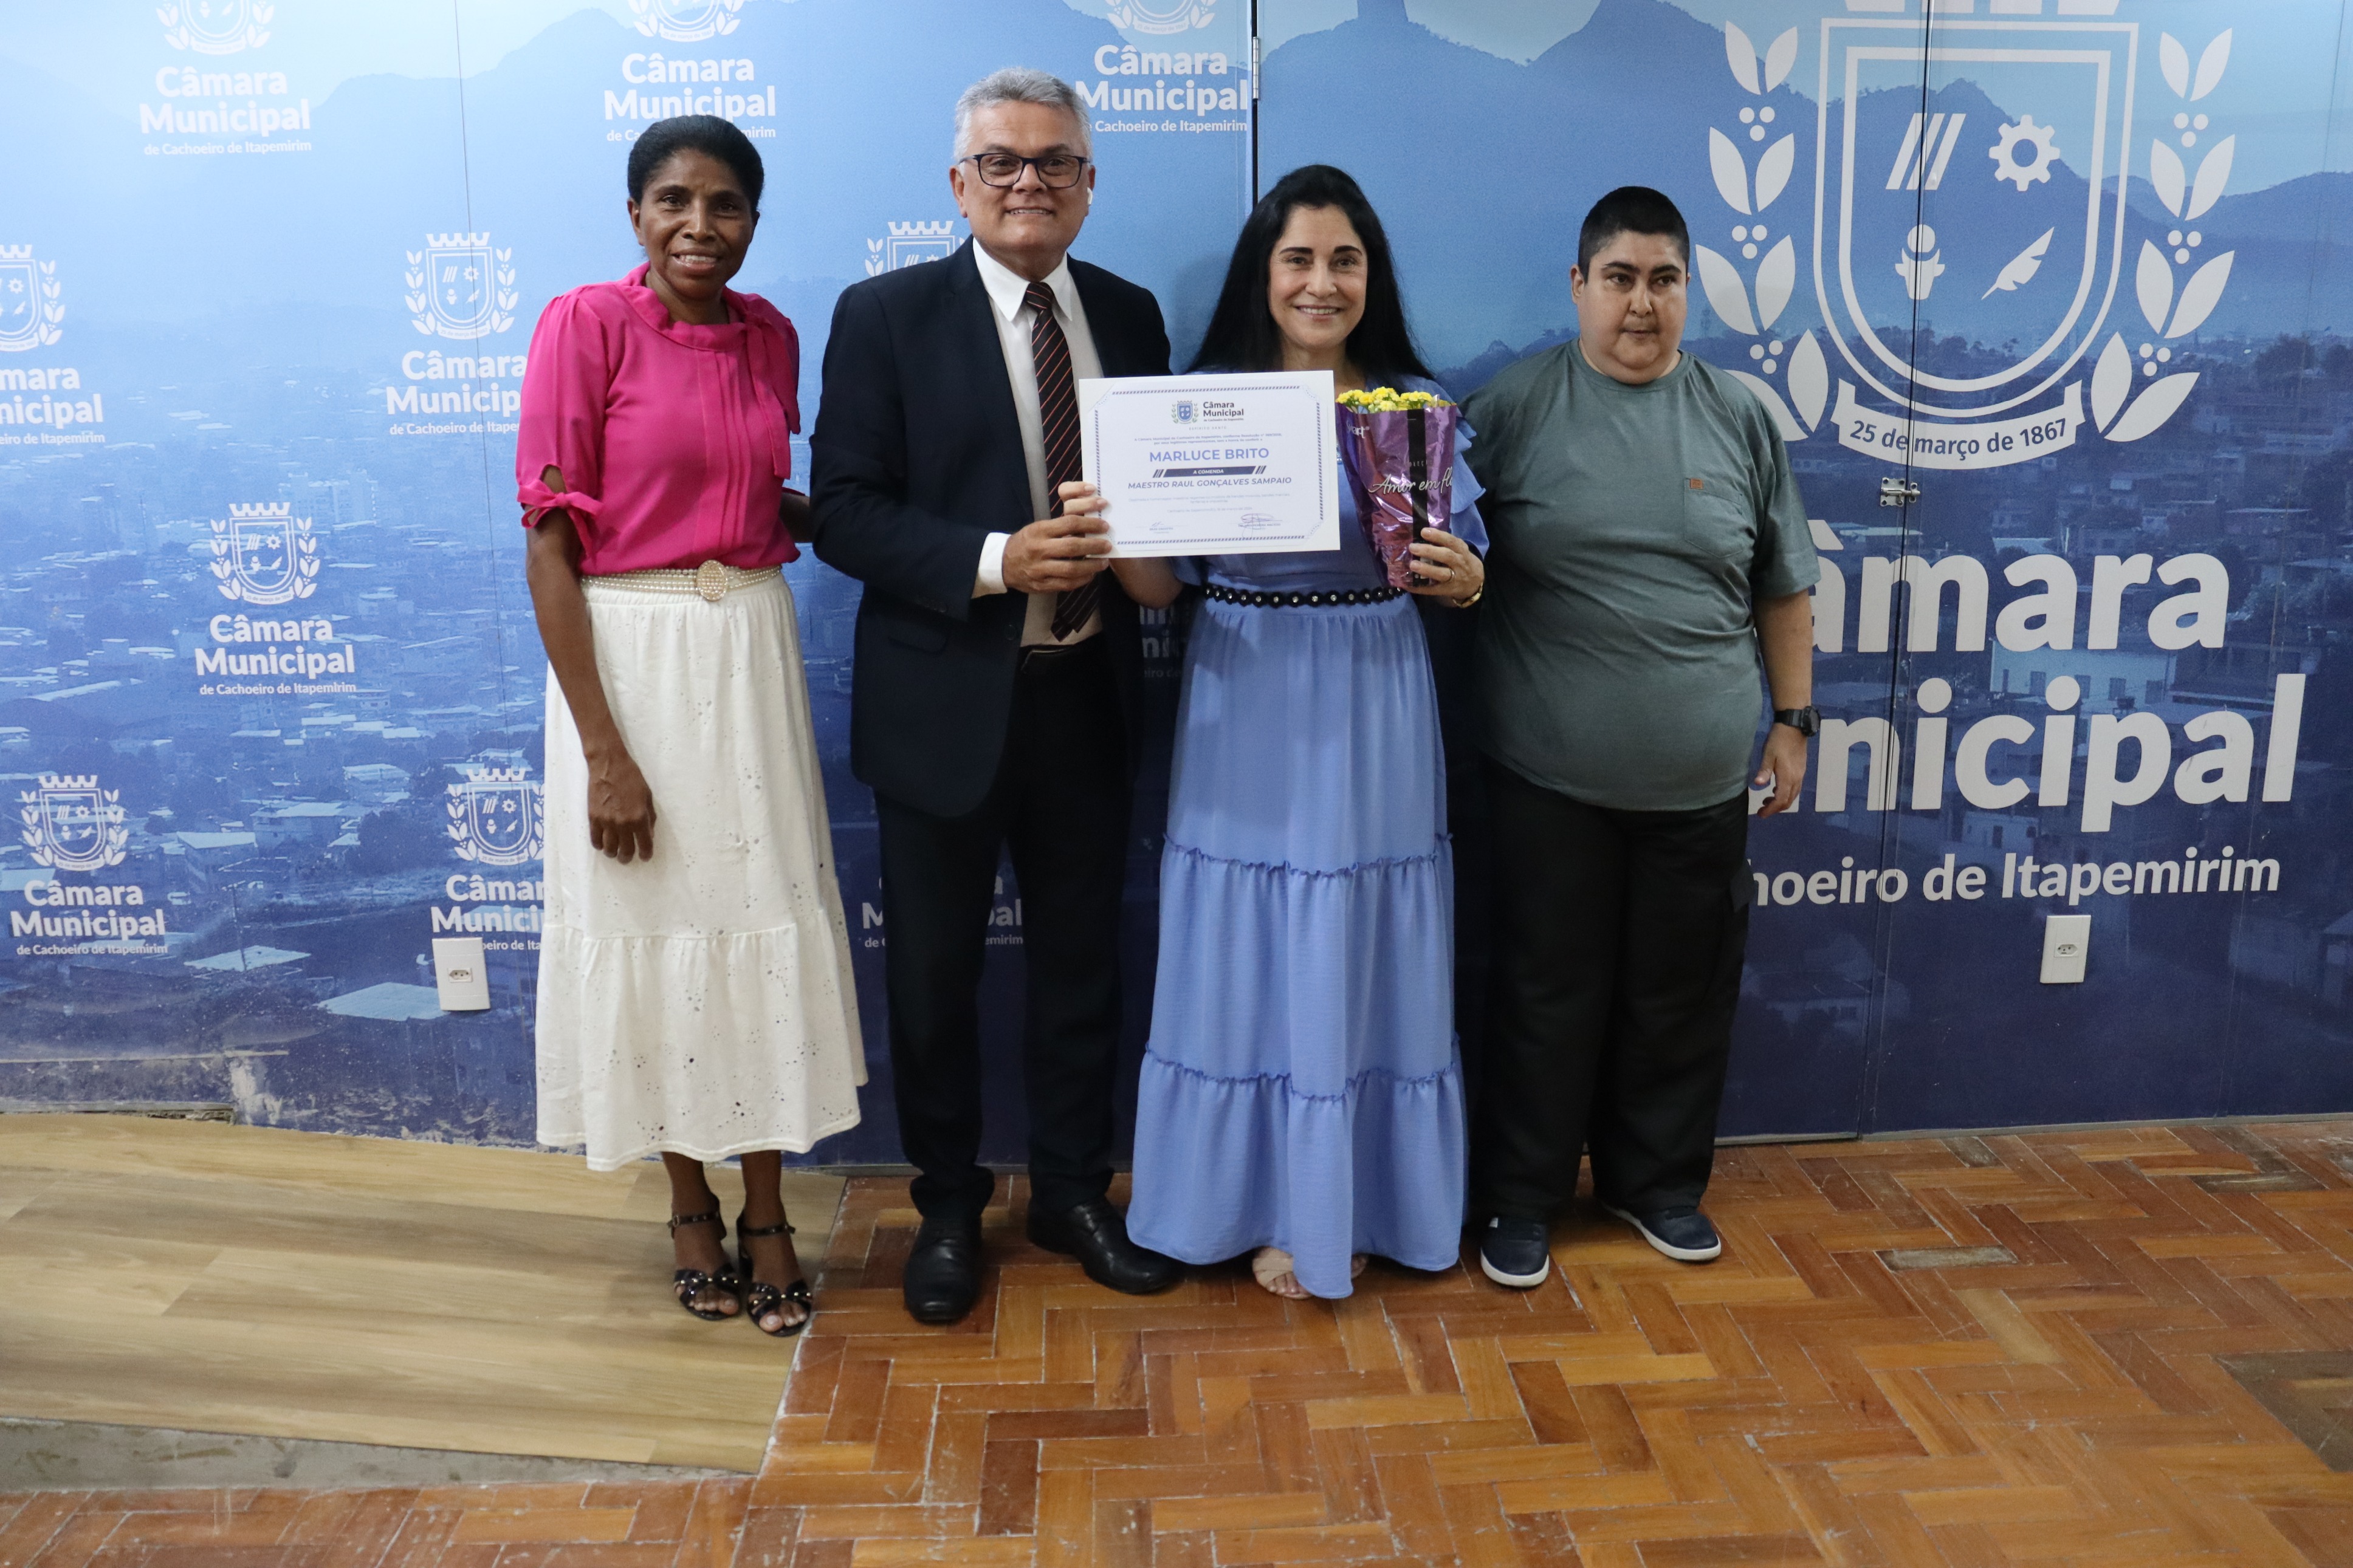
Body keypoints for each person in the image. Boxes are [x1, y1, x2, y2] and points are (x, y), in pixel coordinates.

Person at [809, 68, 1182, 1324]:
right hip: (942, 706)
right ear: (959, 184)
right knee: (933, 980)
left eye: (1055, 161)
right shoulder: (884, 314)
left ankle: (1073, 1193)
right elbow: (843, 511)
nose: (1031, 182)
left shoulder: (1128, 315)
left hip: (1088, 696)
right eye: (1003, 163)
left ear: (1090, 181)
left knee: (1083, 964)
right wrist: (994, 560)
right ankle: (949, 1208)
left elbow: (1160, 505)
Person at [1104, 165, 1488, 1301]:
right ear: (1261, 276)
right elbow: (1157, 589)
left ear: (1373, 278)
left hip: (1375, 687)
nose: (1322, 283)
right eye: (1299, 259)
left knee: (1362, 930)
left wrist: (1469, 577)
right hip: (1246, 686)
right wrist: (1117, 519)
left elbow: (1463, 568)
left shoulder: (1414, 408)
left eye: (1345, 260)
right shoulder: (1202, 402)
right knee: (1244, 936)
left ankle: (1346, 1206)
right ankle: (1234, 1204)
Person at [518, 116, 864, 1337]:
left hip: (751, 652)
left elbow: (761, 497)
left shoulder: (772, 333)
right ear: (636, 215)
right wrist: (605, 752)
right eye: (673, 201)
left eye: (725, 205)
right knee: (652, 924)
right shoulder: (585, 324)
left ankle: (767, 1210)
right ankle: (687, 1205)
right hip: (634, 661)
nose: (698, 226)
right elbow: (550, 547)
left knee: (757, 919)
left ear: (755, 222)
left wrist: (909, 525)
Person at [1462, 186, 1817, 1286]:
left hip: (1702, 780)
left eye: (1665, 280)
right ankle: (1519, 1196)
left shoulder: (1738, 417)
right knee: (1543, 997)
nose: (1642, 304)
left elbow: (1784, 585)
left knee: (1681, 996)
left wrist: (1794, 720)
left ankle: (1654, 1183)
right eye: (1619, 278)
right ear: (1579, 287)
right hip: (1545, 776)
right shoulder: (1510, 410)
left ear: (1688, 290)